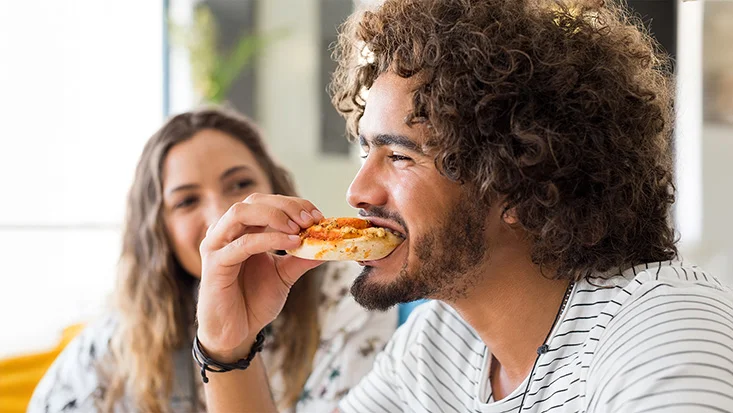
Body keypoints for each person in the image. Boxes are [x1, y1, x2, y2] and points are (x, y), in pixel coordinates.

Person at [194, 0, 733, 412]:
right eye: (366, 150)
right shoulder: (439, 345)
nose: (358, 191)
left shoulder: (664, 333)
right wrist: (228, 346)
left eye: (399, 157)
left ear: (520, 181)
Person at [28, 107, 397, 413]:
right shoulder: (122, 336)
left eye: (239, 184)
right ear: (159, 233)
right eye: (187, 201)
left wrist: (230, 352)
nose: (223, 215)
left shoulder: (351, 299)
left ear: (276, 189)